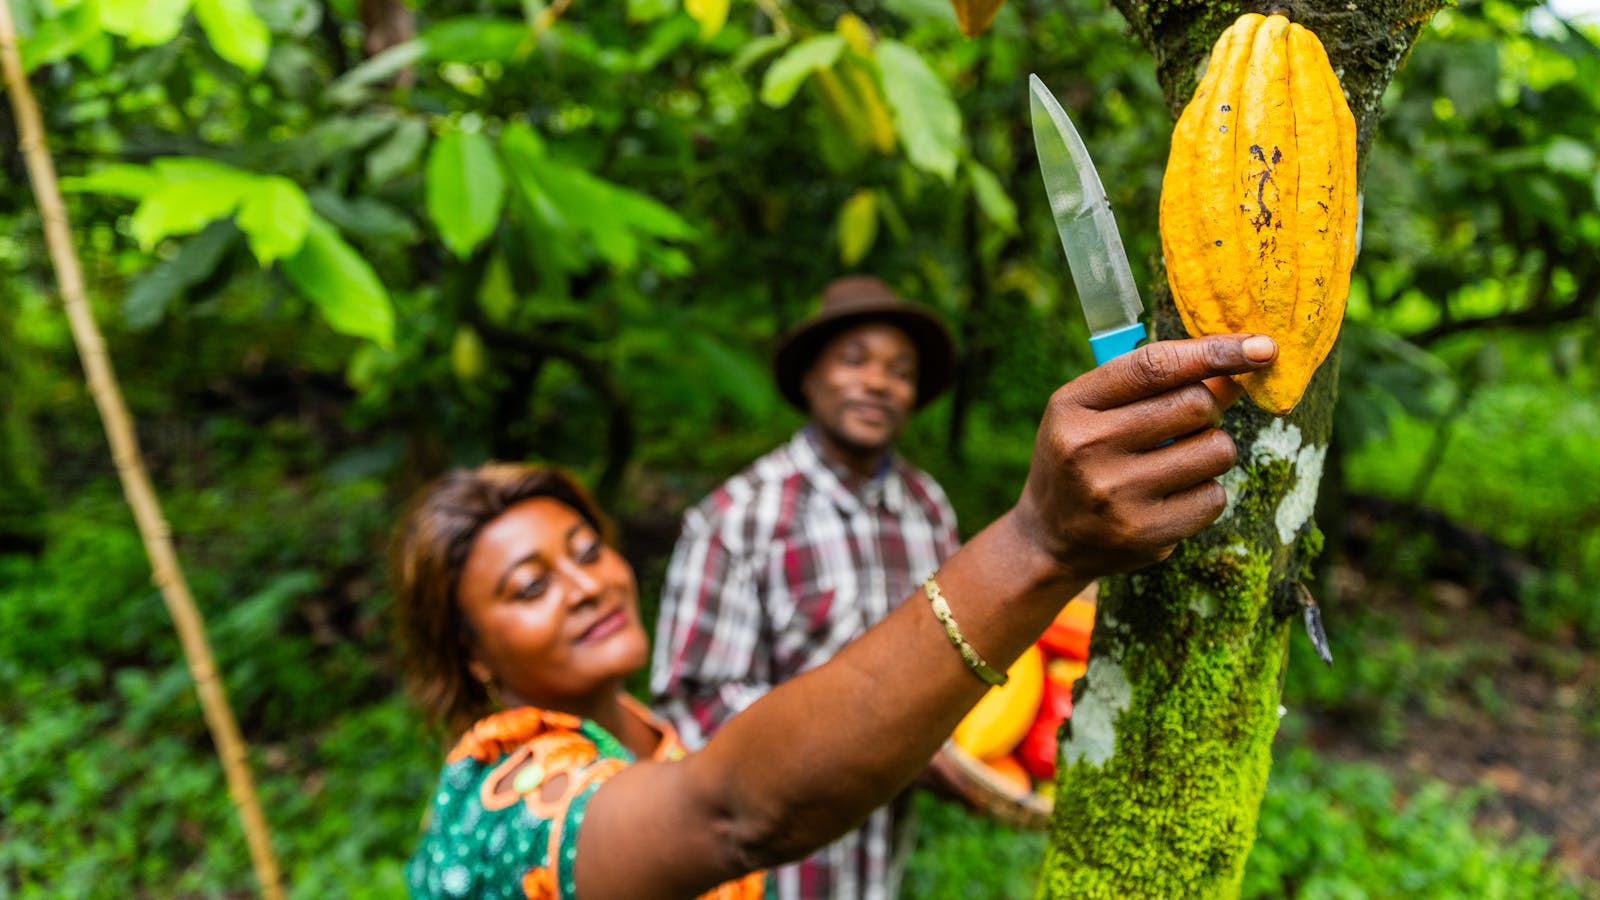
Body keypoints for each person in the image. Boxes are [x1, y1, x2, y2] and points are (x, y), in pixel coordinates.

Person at [394, 333, 1279, 900]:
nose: (583, 586)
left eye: (586, 552)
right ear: (469, 652)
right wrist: (1037, 545)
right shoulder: (503, 806)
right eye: (528, 587)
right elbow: (732, 813)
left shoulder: (634, 736)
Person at [650, 276, 960, 898]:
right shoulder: (738, 519)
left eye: (900, 371)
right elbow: (694, 704)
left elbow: (950, 654)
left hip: (880, 859)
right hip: (771, 868)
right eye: (854, 361)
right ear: (811, 379)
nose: (877, 382)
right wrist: (850, 743)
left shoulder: (928, 510)